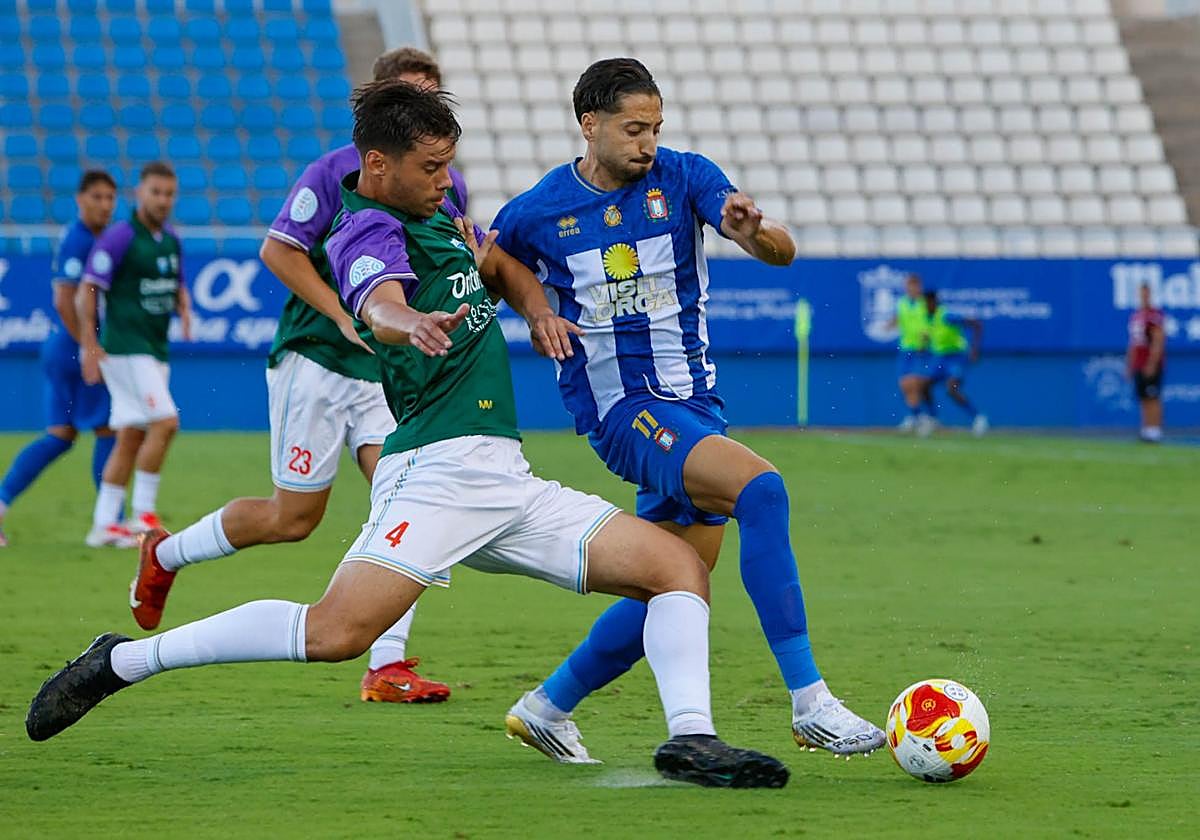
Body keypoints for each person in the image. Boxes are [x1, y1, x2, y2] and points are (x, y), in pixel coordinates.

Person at [27, 81, 789, 789]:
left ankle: (691, 737)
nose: (444, 179)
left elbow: (499, 264)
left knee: (679, 571)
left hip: (507, 480)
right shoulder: (365, 228)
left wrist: (538, 306)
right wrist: (406, 322)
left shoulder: (438, 211)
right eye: (430, 167)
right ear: (376, 163)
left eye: (448, 165)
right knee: (334, 634)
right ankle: (122, 662)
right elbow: (379, 302)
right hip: (437, 475)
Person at [491, 58, 884, 762]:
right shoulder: (538, 211)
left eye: (656, 127)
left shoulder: (686, 176)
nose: (648, 142)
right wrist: (535, 308)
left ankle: (545, 706)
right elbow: (493, 267)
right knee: (762, 491)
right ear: (591, 123)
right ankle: (810, 702)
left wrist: (750, 229)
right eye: (634, 128)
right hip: (625, 413)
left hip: (695, 407)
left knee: (673, 584)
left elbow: (781, 252)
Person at [130, 47, 463, 704]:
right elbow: (277, 250)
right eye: (407, 95)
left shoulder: (441, 179)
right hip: (315, 362)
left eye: (431, 97)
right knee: (292, 517)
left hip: (384, 373)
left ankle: (386, 665)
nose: (419, 110)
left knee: (417, 499)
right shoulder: (333, 172)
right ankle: (163, 555)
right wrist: (345, 313)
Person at [0, 171, 118, 548]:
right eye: (97, 197)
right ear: (81, 199)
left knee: (60, 435)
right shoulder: (80, 240)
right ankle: (110, 521)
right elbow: (64, 299)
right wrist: (89, 346)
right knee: (108, 430)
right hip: (74, 350)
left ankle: (1, 503)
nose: (104, 204)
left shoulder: (91, 238)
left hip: (60, 347)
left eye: (110, 197)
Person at [76, 162, 189, 547]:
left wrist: (185, 309)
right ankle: (143, 514)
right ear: (140, 193)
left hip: (154, 349)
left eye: (169, 193)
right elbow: (87, 289)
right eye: (156, 192)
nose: (163, 200)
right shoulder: (120, 237)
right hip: (126, 348)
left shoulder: (170, 239)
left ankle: (104, 523)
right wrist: (89, 344)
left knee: (131, 436)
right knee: (166, 422)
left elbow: (177, 284)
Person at [923, 290, 988, 437]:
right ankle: (933, 418)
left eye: (927, 303)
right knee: (925, 385)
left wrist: (975, 350)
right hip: (940, 358)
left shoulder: (947, 315)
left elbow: (976, 324)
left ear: (933, 302)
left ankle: (978, 418)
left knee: (951, 388)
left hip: (956, 357)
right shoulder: (930, 318)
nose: (925, 306)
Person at [891, 273, 933, 435]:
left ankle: (924, 417)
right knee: (904, 384)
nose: (912, 289)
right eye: (909, 285)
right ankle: (918, 415)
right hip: (905, 348)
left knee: (915, 384)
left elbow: (930, 323)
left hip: (921, 349)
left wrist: (925, 340)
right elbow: (899, 319)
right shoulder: (902, 303)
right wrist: (889, 324)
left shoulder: (925, 304)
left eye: (915, 285)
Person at [1127, 283, 1166, 443]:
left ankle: (1155, 430)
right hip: (1138, 362)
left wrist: (1152, 362)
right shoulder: (1136, 316)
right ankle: (1146, 429)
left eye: (1146, 293)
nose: (1144, 296)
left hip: (1150, 363)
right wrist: (1130, 364)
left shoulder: (1154, 315)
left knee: (1153, 396)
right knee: (1143, 397)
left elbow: (1158, 340)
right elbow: (1133, 343)